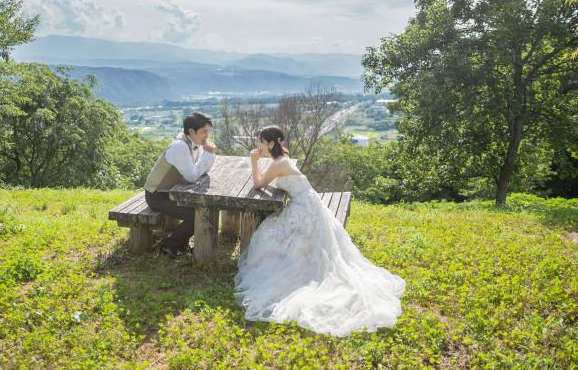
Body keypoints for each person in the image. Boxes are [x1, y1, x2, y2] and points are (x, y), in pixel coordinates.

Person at [234, 125, 405, 336]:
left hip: (304, 208)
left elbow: (259, 184)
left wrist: (253, 161)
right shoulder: (279, 161)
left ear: (270, 144)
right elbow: (265, 179)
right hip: (307, 203)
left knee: (271, 231)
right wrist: (259, 163)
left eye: (260, 141)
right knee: (275, 231)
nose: (257, 145)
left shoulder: (280, 163)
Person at [144, 111, 216, 259]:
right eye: (204, 132)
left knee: (199, 210)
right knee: (196, 215)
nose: (206, 136)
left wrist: (210, 153)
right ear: (191, 131)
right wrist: (207, 155)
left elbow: (204, 171)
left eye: (208, 132)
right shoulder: (180, 146)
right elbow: (192, 177)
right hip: (157, 195)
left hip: (170, 192)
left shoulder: (195, 144)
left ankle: (181, 244)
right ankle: (168, 246)